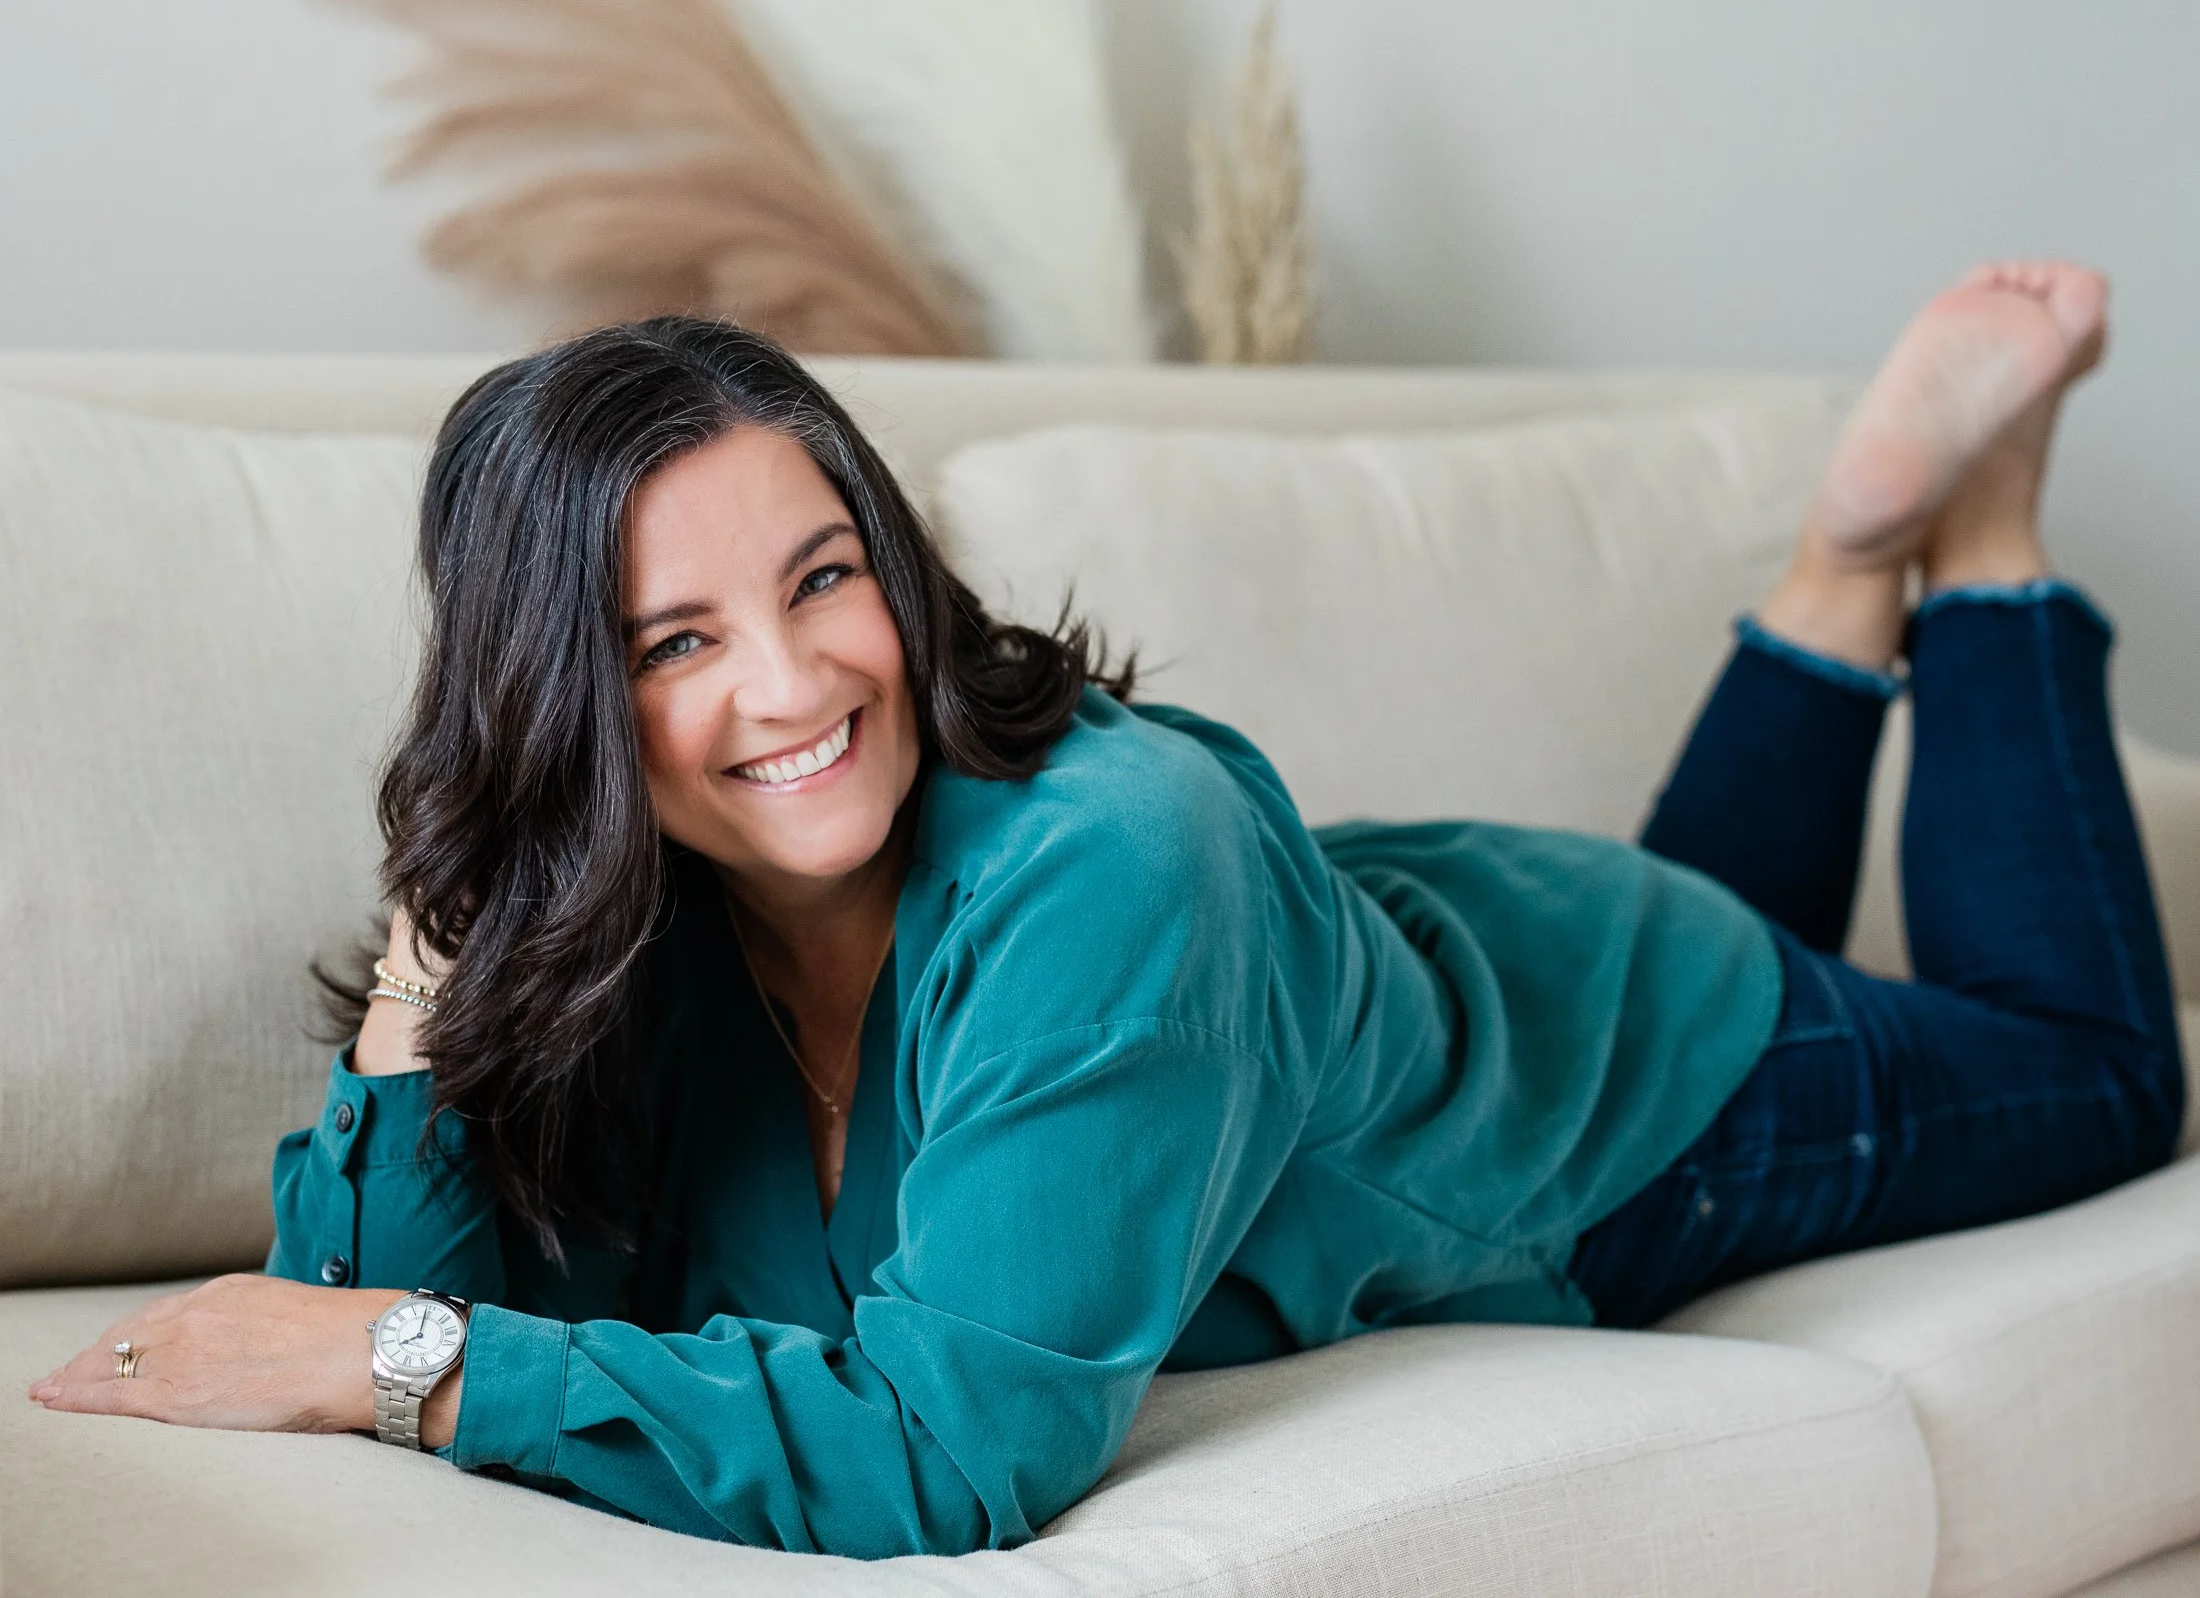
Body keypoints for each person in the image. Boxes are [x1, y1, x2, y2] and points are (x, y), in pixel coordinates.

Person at [30, 263, 2183, 1558]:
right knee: (1710, 906)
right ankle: (1823, 592)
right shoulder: (650, 908)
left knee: (2098, 1077)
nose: (791, 690)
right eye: (669, 641)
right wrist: (438, 956)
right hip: (1421, 964)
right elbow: (356, 1310)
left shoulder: (1104, 859)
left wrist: (398, 1360)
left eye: (818, 577)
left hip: (1636, 1094)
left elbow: (943, 1455)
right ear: (556, 705)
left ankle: (1961, 543)